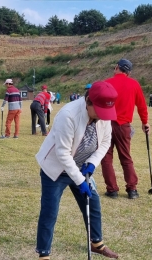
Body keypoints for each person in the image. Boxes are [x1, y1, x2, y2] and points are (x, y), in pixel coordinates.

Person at [35, 81, 119, 260]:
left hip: (82, 167)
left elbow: (105, 142)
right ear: (88, 101)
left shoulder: (104, 115)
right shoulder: (68, 115)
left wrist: (92, 163)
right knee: (50, 212)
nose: (103, 117)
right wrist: (80, 181)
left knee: (93, 203)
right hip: (56, 170)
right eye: (100, 112)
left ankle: (96, 244)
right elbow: (63, 154)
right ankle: (44, 254)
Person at [100, 59, 150, 199]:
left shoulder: (106, 83)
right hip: (123, 126)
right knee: (126, 157)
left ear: (117, 67)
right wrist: (145, 122)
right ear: (129, 72)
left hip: (106, 124)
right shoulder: (134, 84)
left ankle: (112, 189)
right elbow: (142, 106)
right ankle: (132, 189)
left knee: (106, 157)